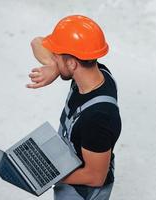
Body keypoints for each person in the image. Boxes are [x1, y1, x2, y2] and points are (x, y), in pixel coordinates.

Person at [26, 15, 121, 200]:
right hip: (69, 164)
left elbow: (95, 177)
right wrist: (54, 65)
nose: (51, 56)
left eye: (56, 55)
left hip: (82, 191)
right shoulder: (97, 72)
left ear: (72, 63)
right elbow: (36, 42)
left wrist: (44, 175)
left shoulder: (98, 118)